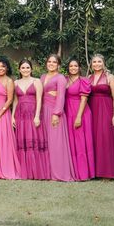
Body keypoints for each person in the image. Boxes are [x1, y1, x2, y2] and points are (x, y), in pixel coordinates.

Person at [41, 54, 76, 182]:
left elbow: (61, 96)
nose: (51, 64)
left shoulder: (60, 78)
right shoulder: (43, 77)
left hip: (54, 111)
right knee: (46, 143)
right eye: (49, 61)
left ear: (58, 65)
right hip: (43, 111)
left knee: (56, 143)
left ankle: (59, 173)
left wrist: (56, 113)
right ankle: (48, 172)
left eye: (54, 62)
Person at [12, 59, 49, 179]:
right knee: (23, 141)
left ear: (31, 69)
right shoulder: (16, 82)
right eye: (23, 68)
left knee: (34, 140)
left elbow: (39, 99)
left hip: (33, 114)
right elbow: (15, 101)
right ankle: (24, 172)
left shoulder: (37, 81)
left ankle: (36, 172)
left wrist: (37, 115)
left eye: (27, 67)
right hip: (20, 115)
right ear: (19, 69)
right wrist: (12, 116)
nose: (25, 70)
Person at [89, 54, 114, 179]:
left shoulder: (110, 77)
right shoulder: (89, 77)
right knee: (94, 138)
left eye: (99, 62)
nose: (97, 64)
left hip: (106, 109)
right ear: (91, 64)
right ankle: (95, 171)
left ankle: (108, 171)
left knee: (106, 137)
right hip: (92, 109)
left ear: (104, 63)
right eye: (94, 62)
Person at [0, 57, 21, 180]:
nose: (0, 68)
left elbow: (9, 100)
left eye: (3, 66)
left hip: (2, 111)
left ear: (7, 67)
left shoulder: (9, 81)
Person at [64, 58, 95, 181]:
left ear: (79, 67)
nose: (73, 68)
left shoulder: (84, 80)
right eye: (71, 66)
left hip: (80, 112)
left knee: (81, 142)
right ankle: (73, 171)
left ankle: (83, 173)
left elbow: (84, 99)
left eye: (75, 66)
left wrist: (78, 116)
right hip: (68, 111)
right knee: (71, 142)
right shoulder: (65, 80)